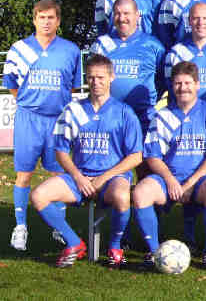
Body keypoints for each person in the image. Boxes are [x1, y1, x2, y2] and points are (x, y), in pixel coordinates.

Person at [29, 54, 142, 268]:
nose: (95, 82)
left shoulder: (124, 112)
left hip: (112, 178)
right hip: (79, 177)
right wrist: (78, 177)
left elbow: (136, 156)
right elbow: (61, 151)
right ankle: (74, 243)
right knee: (38, 195)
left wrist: (103, 178)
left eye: (100, 77)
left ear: (111, 78)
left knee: (122, 196)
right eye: (91, 77)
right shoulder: (73, 110)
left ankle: (115, 247)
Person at [4, 0, 82, 251]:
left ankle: (59, 227)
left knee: (59, 175)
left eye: (51, 17)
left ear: (58, 21)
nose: (46, 22)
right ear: (34, 19)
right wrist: (31, 102)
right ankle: (20, 226)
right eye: (41, 17)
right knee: (24, 173)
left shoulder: (71, 50)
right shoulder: (19, 49)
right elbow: (11, 85)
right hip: (29, 119)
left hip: (57, 121)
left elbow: (72, 87)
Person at [133, 61, 206, 269]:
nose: (183, 88)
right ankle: (154, 252)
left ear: (197, 85)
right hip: (169, 178)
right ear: (172, 86)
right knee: (140, 193)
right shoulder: (162, 116)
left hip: (200, 179)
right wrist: (171, 180)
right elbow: (153, 157)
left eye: (188, 83)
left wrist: (190, 183)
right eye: (178, 83)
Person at [90, 0, 165, 135]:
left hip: (144, 120)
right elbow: (92, 79)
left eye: (126, 13)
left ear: (137, 15)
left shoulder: (153, 45)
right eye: (117, 13)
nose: (121, 18)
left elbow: (163, 81)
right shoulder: (101, 45)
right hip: (109, 118)